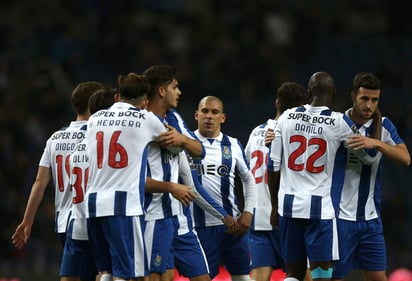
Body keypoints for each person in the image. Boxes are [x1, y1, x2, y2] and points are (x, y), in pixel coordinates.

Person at [268, 72, 376, 281]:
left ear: (309, 93)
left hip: (288, 205)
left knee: (293, 273)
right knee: (322, 274)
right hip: (320, 210)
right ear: (333, 94)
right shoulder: (339, 122)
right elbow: (369, 157)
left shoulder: (287, 116)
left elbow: (272, 166)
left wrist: (275, 206)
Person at [142, 65, 238, 281]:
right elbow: (134, 178)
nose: (179, 92)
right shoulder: (142, 122)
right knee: (158, 277)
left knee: (203, 277)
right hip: (155, 215)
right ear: (161, 91)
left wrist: (182, 140)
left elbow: (199, 150)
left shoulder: (173, 117)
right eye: (175, 87)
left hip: (182, 220)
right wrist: (170, 187)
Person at [85, 73, 176, 281]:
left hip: (93, 204)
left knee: (106, 271)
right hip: (123, 205)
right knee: (128, 274)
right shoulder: (146, 118)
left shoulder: (95, 119)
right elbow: (175, 145)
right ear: (145, 102)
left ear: (118, 97)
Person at [331, 72, 410, 281]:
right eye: (364, 98)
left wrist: (378, 143)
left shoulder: (384, 125)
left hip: (371, 220)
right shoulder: (337, 124)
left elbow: (406, 157)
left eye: (374, 100)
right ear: (353, 96)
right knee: (335, 277)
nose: (369, 105)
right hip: (340, 218)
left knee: (378, 277)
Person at [11, 81, 105, 250]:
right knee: (102, 272)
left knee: (71, 275)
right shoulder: (98, 137)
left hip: (63, 223)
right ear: (95, 104)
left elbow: (39, 183)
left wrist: (27, 220)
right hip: (89, 220)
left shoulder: (55, 138)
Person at [245, 82, 306, 281]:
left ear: (277, 102)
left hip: (257, 214)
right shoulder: (297, 137)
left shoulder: (256, 132)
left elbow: (247, 171)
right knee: (302, 273)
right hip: (286, 214)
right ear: (299, 108)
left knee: (260, 276)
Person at [192, 95, 257, 281]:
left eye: (214, 112)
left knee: (243, 277)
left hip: (234, 227)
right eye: (205, 111)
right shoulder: (187, 144)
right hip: (200, 227)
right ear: (196, 115)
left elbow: (249, 179)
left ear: (222, 118)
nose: (209, 116)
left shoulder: (233, 144)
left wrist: (248, 212)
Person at [61, 88, 117, 281]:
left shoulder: (77, 149)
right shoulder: (110, 151)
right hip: (102, 221)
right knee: (110, 273)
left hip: (77, 222)